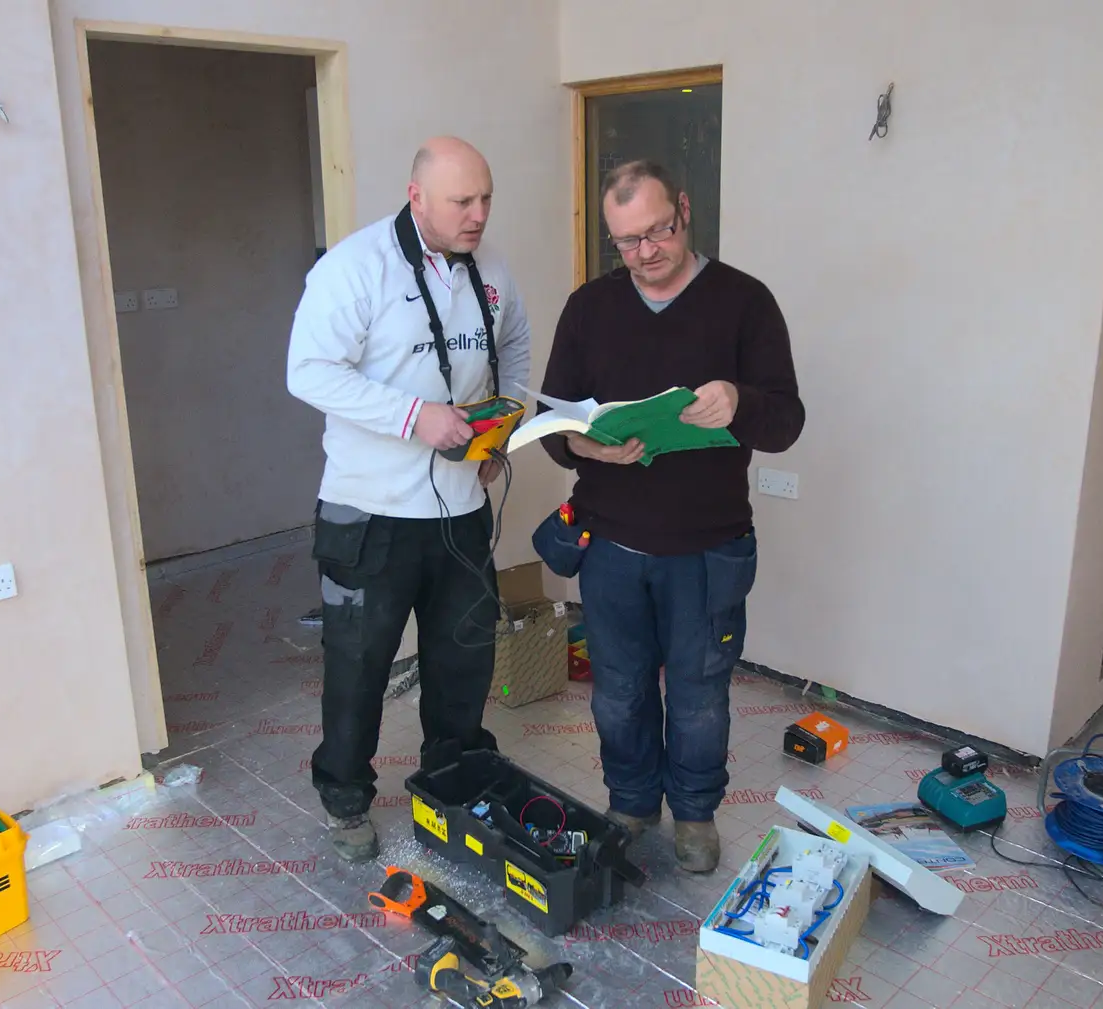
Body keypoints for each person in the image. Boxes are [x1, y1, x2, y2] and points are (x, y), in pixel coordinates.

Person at [537, 160, 803, 872]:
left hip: (707, 546)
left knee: (698, 694)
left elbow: (786, 421)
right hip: (610, 543)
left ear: (685, 209)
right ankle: (629, 802)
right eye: (625, 240)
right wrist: (580, 442)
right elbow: (551, 416)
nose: (644, 251)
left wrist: (738, 400)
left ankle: (693, 813)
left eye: (657, 231)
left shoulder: (744, 301)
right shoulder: (589, 308)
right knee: (618, 692)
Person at [286, 136, 531, 861]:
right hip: (370, 514)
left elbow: (513, 345)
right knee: (359, 667)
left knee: (464, 659)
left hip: (460, 510)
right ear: (416, 195)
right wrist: (413, 417)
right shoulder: (354, 268)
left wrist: (500, 429)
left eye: (486, 198)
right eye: (462, 201)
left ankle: (451, 777)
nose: (479, 214)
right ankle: (345, 797)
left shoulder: (491, 269)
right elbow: (309, 371)